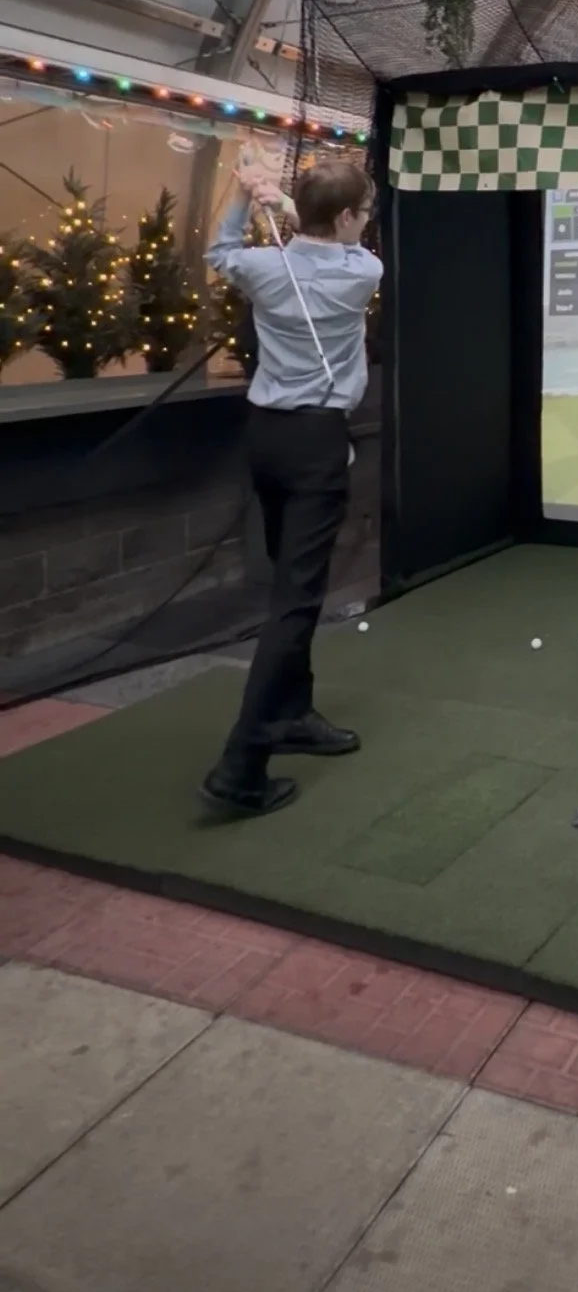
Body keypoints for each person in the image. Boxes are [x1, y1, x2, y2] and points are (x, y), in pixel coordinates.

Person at [200, 155, 381, 817]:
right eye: (363, 210)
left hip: (266, 438)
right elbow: (333, 248)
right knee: (296, 601)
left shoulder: (263, 268)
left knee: (287, 580)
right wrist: (281, 207)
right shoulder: (365, 270)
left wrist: (247, 197)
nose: (367, 221)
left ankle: (294, 713)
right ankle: (243, 762)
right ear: (345, 217)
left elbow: (222, 250)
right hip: (315, 444)